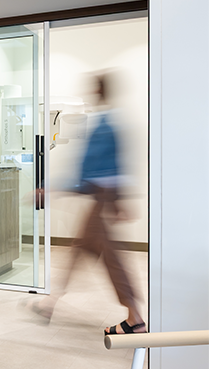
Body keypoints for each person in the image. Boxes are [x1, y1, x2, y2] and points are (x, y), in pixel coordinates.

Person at [32, 72, 146, 335]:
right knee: (80, 249)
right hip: (104, 200)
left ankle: (135, 318)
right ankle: (50, 303)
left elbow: (88, 172)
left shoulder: (104, 125)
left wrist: (53, 188)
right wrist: (122, 199)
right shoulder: (113, 121)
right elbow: (118, 165)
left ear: (98, 91)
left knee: (112, 259)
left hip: (101, 200)